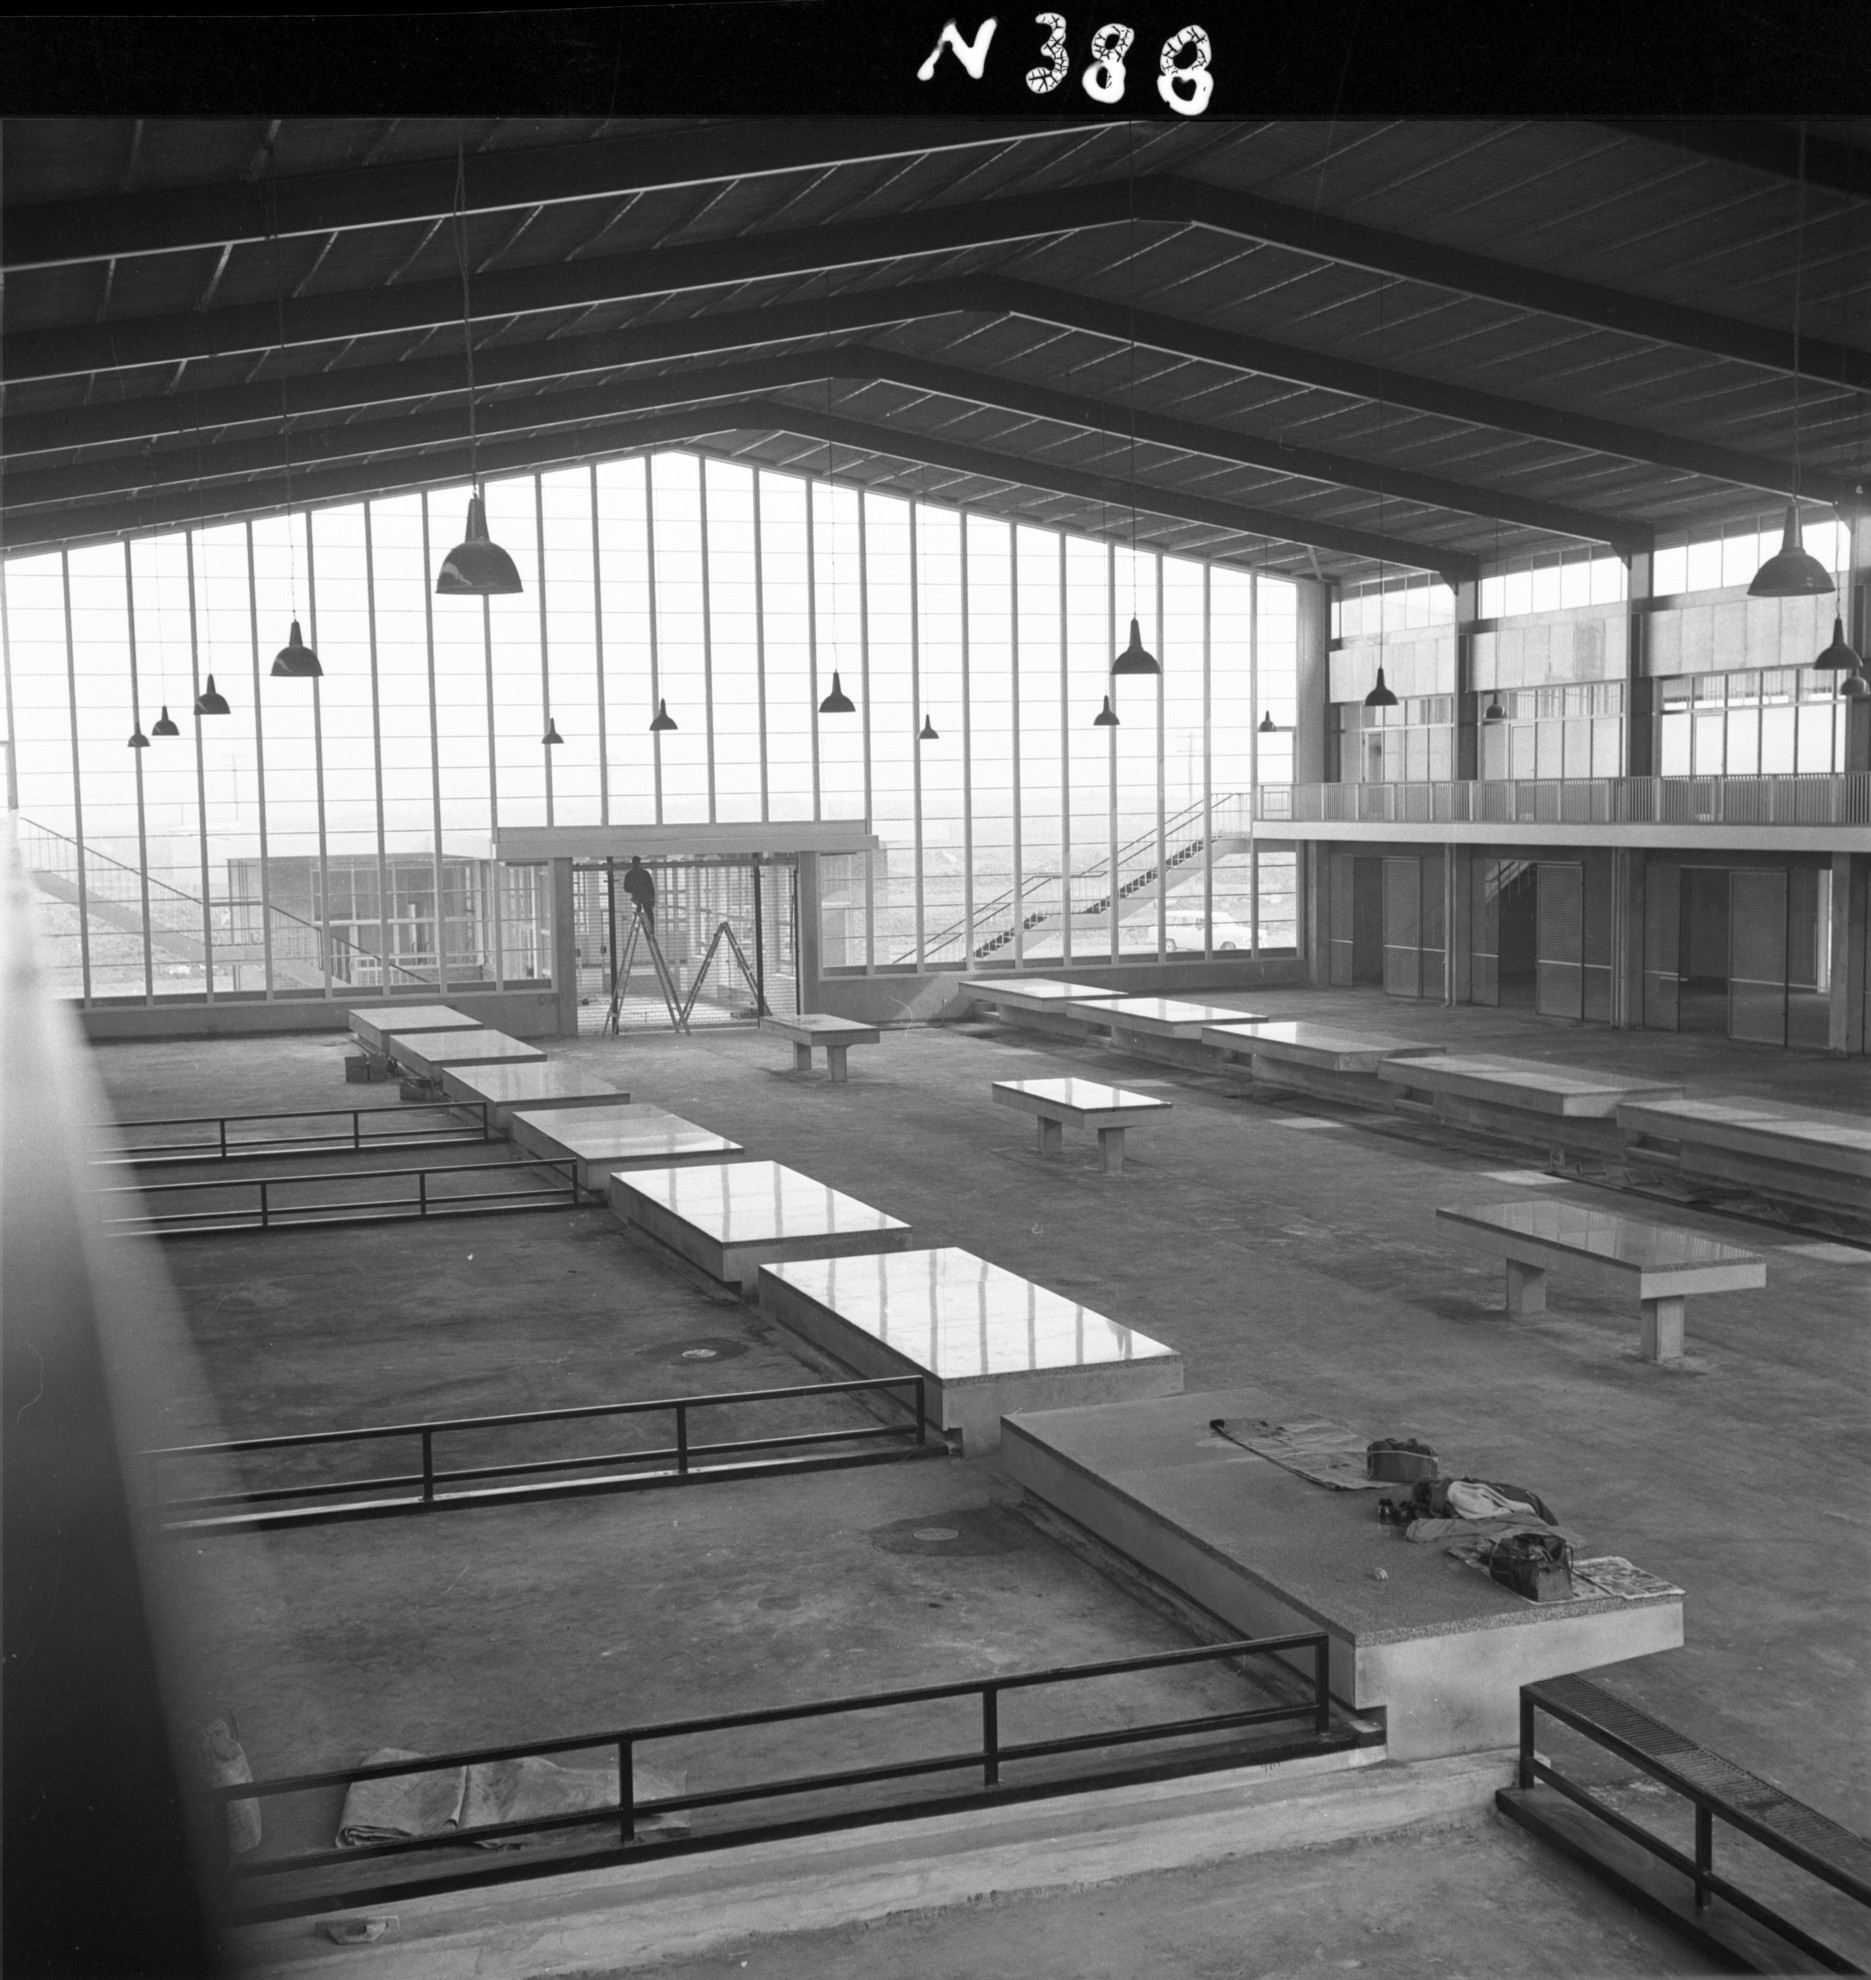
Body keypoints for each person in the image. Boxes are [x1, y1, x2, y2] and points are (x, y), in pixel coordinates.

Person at [621, 856, 656, 930]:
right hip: (646, 898)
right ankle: (651, 930)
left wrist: (633, 889)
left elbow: (626, 888)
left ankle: (639, 908)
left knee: (644, 912)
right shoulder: (645, 873)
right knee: (649, 915)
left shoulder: (629, 874)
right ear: (639, 863)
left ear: (632, 863)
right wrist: (652, 898)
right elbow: (651, 887)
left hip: (637, 898)